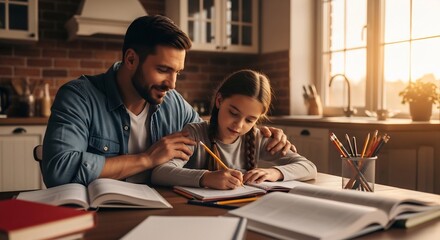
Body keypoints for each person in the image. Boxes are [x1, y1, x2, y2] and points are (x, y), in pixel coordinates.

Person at [41, 15, 294, 188]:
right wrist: (147, 159)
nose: (172, 84)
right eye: (163, 70)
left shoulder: (173, 104)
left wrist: (258, 132)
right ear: (131, 60)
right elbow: (58, 170)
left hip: (162, 212)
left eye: (178, 73)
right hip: (96, 217)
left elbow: (211, 137)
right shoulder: (78, 96)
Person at [152, 70, 317, 189]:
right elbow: (160, 173)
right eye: (233, 113)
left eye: (250, 120)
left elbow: (308, 167)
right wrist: (206, 178)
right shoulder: (195, 134)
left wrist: (274, 173)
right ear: (219, 101)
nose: (239, 125)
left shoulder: (258, 138)